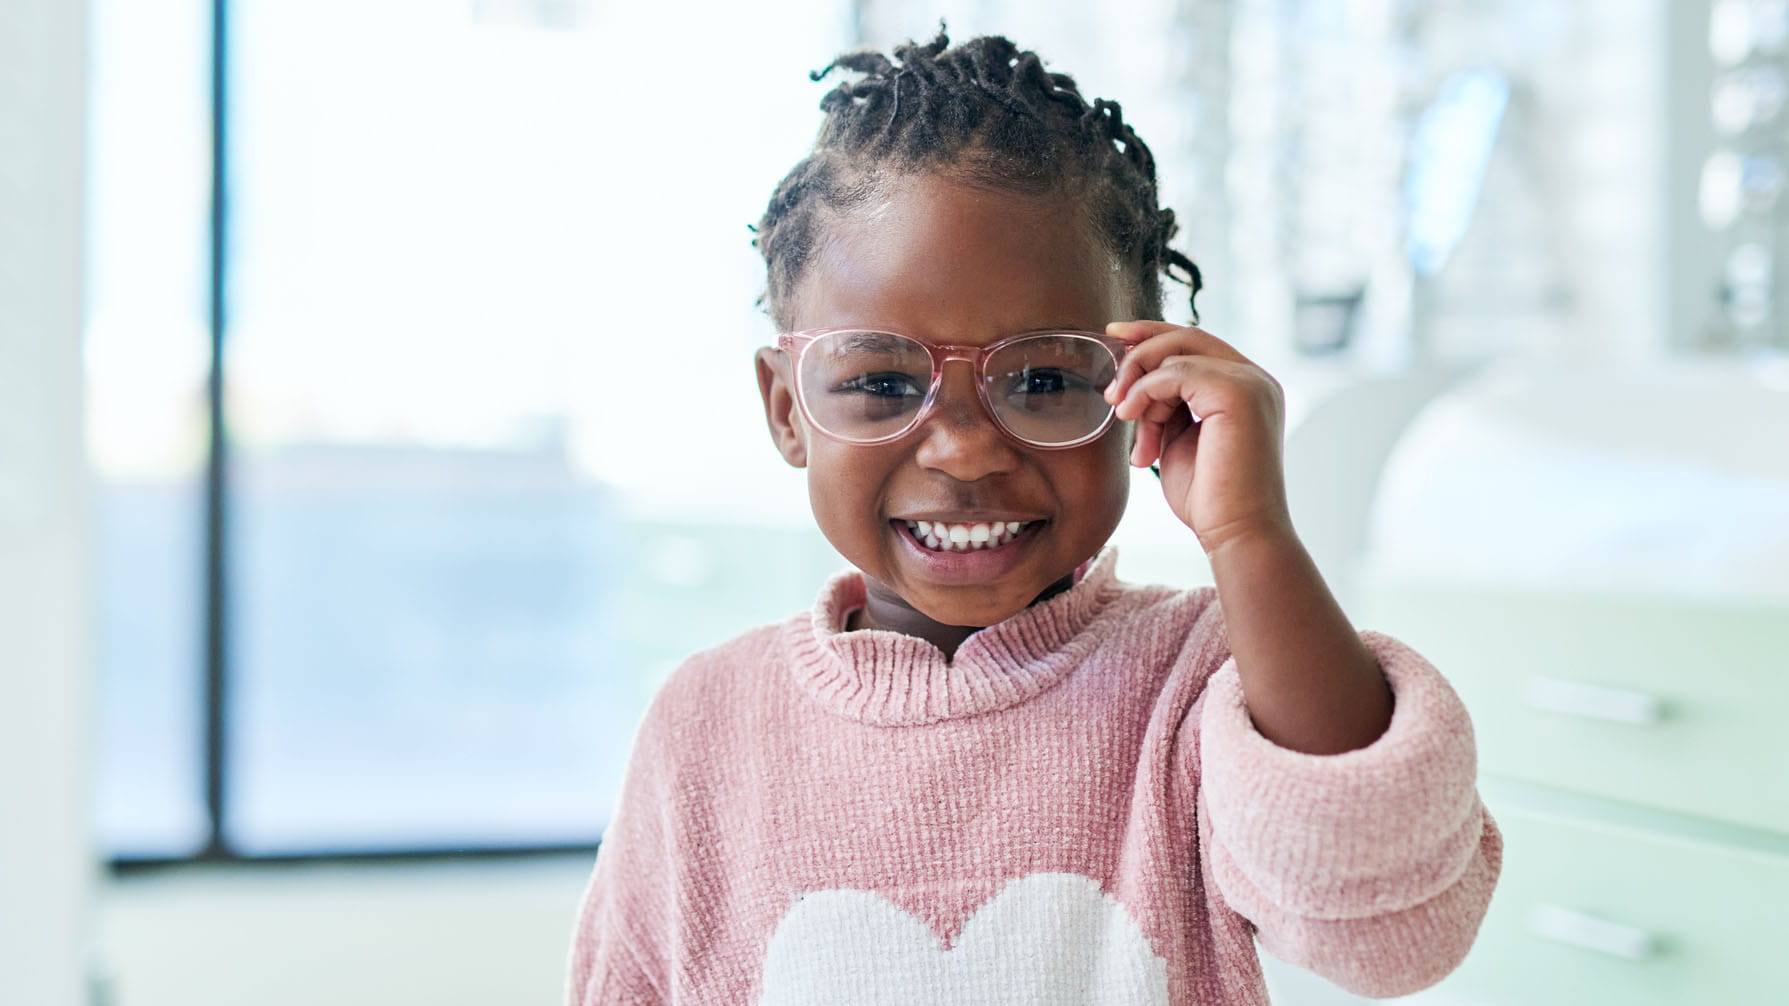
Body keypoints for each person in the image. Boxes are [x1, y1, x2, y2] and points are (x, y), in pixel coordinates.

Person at [564, 29, 1501, 1005]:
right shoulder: (707, 724)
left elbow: (1391, 934)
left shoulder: (1209, 682)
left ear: (1147, 388)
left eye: (1046, 378)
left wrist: (1249, 536)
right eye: (882, 382)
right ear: (786, 408)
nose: (964, 449)